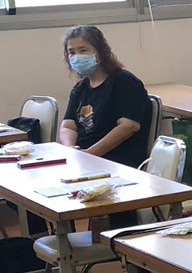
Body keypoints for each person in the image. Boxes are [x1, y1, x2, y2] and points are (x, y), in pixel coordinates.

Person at [58, 24, 151, 169]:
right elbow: (68, 126)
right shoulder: (80, 88)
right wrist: (71, 149)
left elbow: (129, 126)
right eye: (71, 52)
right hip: (85, 161)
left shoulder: (124, 82)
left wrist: (89, 154)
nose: (76, 57)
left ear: (100, 52)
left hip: (116, 164)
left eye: (83, 50)